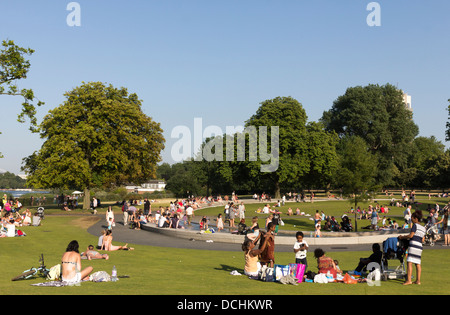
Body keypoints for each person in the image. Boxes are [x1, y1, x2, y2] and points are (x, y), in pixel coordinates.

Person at [399, 210, 425, 285]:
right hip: (419, 246)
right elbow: (423, 239)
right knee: (417, 263)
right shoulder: (423, 228)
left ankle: (409, 280)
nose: (411, 220)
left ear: (416, 219)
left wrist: (402, 237)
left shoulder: (415, 225)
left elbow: (411, 235)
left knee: (409, 262)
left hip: (413, 245)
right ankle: (418, 281)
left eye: (412, 218)